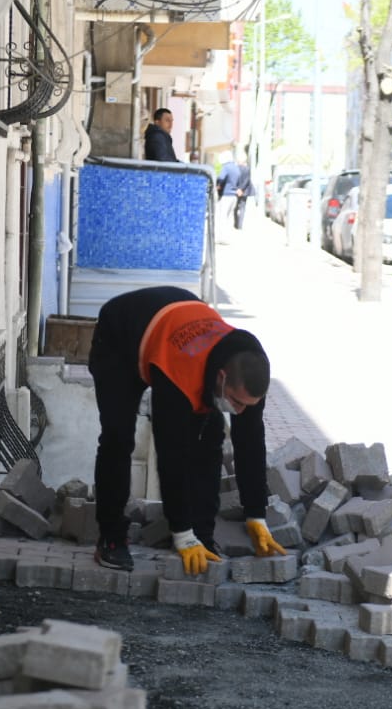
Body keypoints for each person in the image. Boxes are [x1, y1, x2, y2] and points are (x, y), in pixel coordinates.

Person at [87, 286, 286, 574]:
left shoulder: (249, 372)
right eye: (236, 403)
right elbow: (171, 455)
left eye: (247, 405)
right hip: (120, 338)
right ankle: (111, 538)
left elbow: (250, 442)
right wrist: (181, 532)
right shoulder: (178, 377)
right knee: (118, 438)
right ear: (221, 378)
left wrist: (256, 514)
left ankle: (203, 535)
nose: (241, 411)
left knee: (209, 440)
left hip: (177, 322)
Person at [229, 146, 254, 230]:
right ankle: (240, 225)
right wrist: (241, 189)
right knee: (242, 207)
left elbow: (234, 180)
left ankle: (236, 224)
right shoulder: (247, 169)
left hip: (237, 190)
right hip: (245, 190)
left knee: (236, 207)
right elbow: (247, 180)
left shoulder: (235, 168)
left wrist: (238, 189)